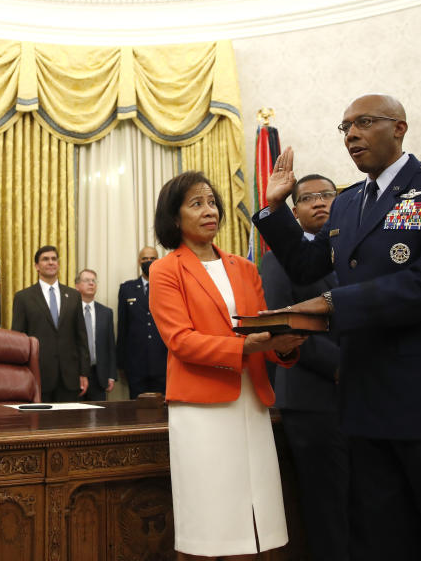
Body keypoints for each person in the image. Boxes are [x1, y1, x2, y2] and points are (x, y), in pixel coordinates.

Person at [255, 94, 421, 560]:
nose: (352, 135)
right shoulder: (348, 203)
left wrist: (332, 301)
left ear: (399, 128)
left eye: (363, 123)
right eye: (345, 128)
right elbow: (305, 264)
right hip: (365, 396)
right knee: (380, 532)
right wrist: (276, 209)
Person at [149, 171, 304, 560]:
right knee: (210, 520)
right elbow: (181, 341)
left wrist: (283, 347)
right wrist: (244, 347)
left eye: (212, 202)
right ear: (174, 218)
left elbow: (262, 336)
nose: (209, 210)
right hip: (202, 408)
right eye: (196, 203)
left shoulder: (244, 267)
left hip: (251, 404)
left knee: (257, 519)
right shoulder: (166, 269)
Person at [259, 173, 348, 561]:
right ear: (293, 211)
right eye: (308, 197)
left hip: (361, 394)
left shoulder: (352, 250)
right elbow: (284, 325)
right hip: (312, 396)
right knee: (326, 505)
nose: (319, 202)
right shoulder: (278, 257)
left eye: (327, 195)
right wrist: (344, 365)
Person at [11, 246, 90, 402]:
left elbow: (81, 336)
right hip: (37, 375)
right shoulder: (23, 297)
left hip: (69, 377)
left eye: (54, 259)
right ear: (36, 266)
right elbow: (19, 340)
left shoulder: (73, 296)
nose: (51, 262)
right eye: (45, 259)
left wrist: (84, 373)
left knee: (69, 424)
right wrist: (21, 374)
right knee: (40, 424)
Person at [117, 246, 169, 398]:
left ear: (158, 261)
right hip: (136, 364)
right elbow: (122, 327)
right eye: (145, 258)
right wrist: (121, 364)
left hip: (162, 362)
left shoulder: (167, 287)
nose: (149, 261)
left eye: (152, 258)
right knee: (137, 411)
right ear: (139, 261)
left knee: (163, 412)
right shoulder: (127, 288)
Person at [74, 269, 117, 401]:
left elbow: (110, 345)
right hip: (75, 374)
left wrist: (111, 375)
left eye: (94, 281)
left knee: (98, 418)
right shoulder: (69, 310)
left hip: (99, 375)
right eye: (87, 280)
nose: (91, 283)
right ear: (77, 286)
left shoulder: (106, 312)